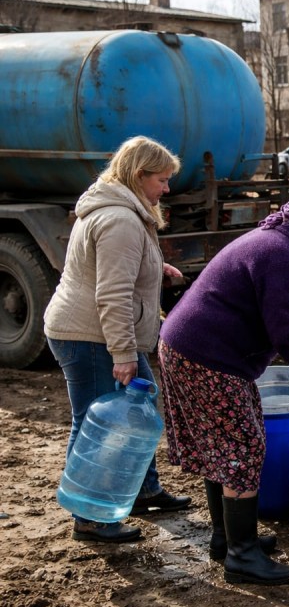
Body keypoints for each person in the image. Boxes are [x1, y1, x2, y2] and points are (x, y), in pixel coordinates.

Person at [158, 192, 289, 585]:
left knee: (223, 445)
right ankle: (242, 555)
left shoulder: (283, 242)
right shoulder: (283, 256)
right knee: (242, 448)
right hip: (206, 355)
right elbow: (287, 332)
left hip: (194, 347)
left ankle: (225, 539)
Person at [44, 136, 192, 543]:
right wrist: (124, 353)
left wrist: (155, 267)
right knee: (96, 422)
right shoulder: (120, 220)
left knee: (140, 405)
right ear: (137, 174)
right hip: (89, 336)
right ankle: (89, 516)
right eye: (161, 180)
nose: (166, 188)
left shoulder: (119, 209)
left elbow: (112, 266)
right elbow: (111, 293)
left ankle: (144, 492)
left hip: (94, 332)